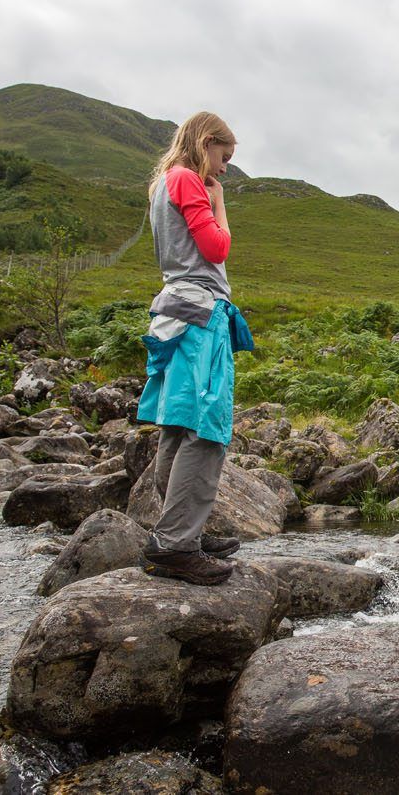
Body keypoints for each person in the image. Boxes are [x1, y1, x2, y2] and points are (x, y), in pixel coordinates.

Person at [136, 111, 254, 586]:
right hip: (201, 316)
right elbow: (217, 247)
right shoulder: (188, 179)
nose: (223, 169)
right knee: (207, 428)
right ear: (206, 143)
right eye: (223, 157)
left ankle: (181, 532)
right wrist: (218, 202)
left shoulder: (164, 182)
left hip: (174, 315)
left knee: (179, 421)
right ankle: (175, 545)